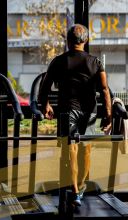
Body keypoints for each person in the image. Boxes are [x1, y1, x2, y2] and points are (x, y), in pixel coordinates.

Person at [39, 24, 112, 206]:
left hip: (67, 110)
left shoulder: (58, 61)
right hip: (89, 111)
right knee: (85, 150)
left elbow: (45, 85)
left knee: (71, 150)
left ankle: (75, 190)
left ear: (68, 40)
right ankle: (79, 189)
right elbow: (104, 90)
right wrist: (108, 115)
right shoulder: (96, 62)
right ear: (86, 41)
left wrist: (45, 105)